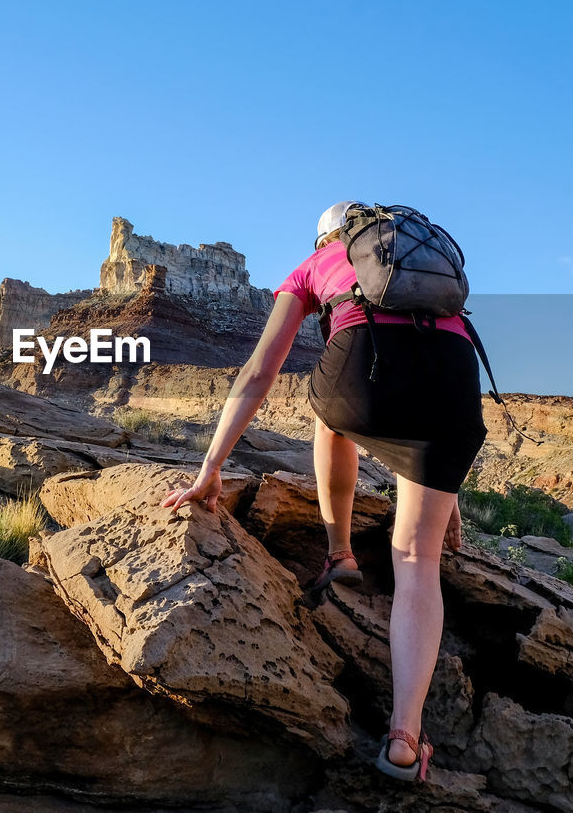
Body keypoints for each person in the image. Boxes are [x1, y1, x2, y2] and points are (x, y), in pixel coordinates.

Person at [161, 200, 488, 784]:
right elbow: (438, 352)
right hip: (455, 395)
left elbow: (260, 371)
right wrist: (448, 490)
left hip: (363, 383)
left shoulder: (314, 267)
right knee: (418, 561)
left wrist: (210, 468)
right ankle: (405, 739)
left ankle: (339, 556)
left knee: (329, 417)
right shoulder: (412, 259)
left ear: (323, 240)